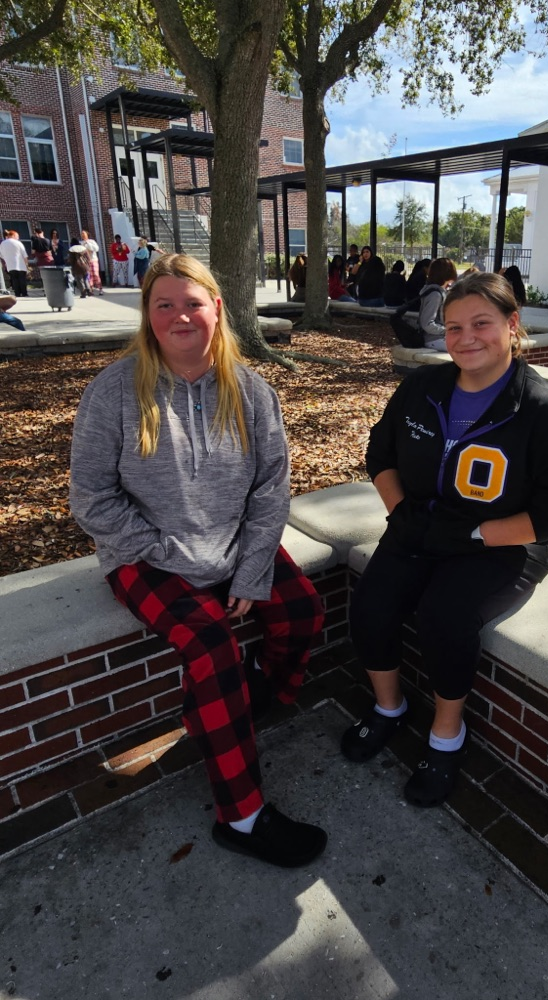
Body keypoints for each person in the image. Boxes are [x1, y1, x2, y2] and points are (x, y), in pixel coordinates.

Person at [69, 253, 328, 867]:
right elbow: (91, 498)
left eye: (193, 302)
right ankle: (239, 816)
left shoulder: (252, 390)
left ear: (218, 307)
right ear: (149, 316)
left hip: (234, 542)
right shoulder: (114, 391)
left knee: (301, 611)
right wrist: (168, 553)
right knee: (212, 650)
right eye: (165, 304)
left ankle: (256, 691)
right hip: (145, 554)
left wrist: (252, 565)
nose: (180, 315)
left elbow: (272, 487)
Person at [341, 271, 548, 807]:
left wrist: (480, 531)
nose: (465, 338)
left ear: (511, 325)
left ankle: (446, 735)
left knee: (445, 616)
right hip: (422, 526)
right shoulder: (422, 387)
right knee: (372, 602)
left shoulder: (545, 411)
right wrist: (401, 513)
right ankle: (390, 708)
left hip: (505, 542)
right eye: (453, 326)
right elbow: (381, 454)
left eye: (481, 324)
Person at [418, 257, 458, 350]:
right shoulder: (435, 295)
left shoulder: (434, 291)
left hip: (437, 338)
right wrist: (447, 330)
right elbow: (427, 323)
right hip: (434, 339)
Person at [0, 231, 29, 297]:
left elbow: (1, 255)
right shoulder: (18, 243)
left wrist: (6, 259)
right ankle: (24, 293)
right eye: (17, 236)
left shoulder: (3, 243)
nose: (18, 238)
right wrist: (26, 264)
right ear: (13, 235)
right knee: (22, 279)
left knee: (14, 279)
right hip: (20, 264)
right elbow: (24, 254)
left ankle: (17, 293)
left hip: (10, 265)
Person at [80, 230, 103, 295]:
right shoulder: (81, 243)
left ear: (87, 234)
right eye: (81, 234)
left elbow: (96, 249)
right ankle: (91, 289)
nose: (82, 235)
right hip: (86, 261)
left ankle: (100, 288)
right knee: (89, 276)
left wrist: (88, 243)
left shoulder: (92, 241)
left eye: (84, 233)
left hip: (93, 259)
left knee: (95, 274)